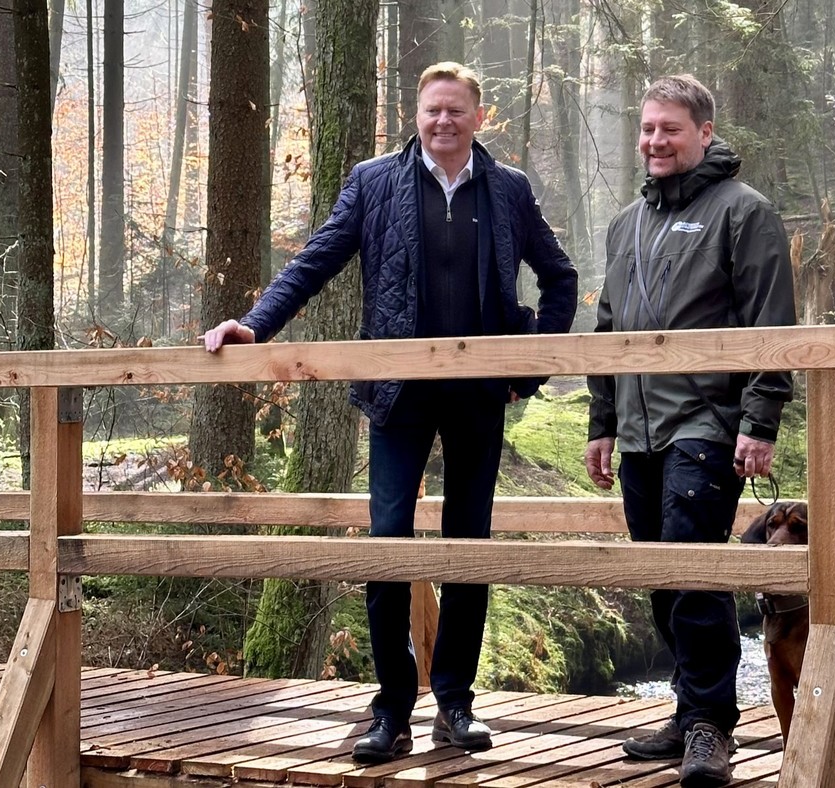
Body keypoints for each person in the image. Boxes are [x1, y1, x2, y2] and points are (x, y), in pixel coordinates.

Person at [203, 61, 577, 764]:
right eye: (432, 110)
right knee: (386, 544)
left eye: (456, 111)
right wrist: (256, 324)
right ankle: (392, 710)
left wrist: (529, 366)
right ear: (416, 113)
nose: (443, 121)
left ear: (479, 115)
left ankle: (456, 704)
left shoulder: (509, 190)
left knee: (470, 548)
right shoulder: (374, 182)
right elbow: (315, 260)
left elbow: (561, 278)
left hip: (477, 394)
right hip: (397, 393)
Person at [584, 74, 796, 788]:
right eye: (647, 129)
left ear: (704, 131)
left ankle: (711, 727)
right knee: (660, 574)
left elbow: (773, 324)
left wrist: (760, 420)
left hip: (707, 422)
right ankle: (685, 709)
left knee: (696, 569)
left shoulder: (743, 212)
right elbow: (608, 330)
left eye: (669, 128)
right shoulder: (625, 224)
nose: (654, 141)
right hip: (639, 430)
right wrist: (602, 423)